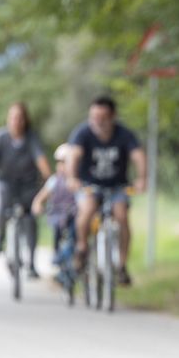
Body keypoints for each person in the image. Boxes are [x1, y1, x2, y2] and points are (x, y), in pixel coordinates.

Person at [64, 96, 146, 285]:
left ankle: (122, 266)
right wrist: (72, 178)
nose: (98, 122)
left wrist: (142, 179)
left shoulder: (124, 134)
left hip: (117, 186)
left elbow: (138, 155)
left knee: (122, 216)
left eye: (102, 117)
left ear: (112, 117)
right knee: (86, 211)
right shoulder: (82, 133)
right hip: (89, 185)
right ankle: (82, 248)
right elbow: (73, 155)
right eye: (94, 117)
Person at [0, 102, 52, 278]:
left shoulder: (31, 138)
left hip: (27, 185)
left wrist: (48, 176)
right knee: (1, 203)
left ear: (25, 120)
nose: (16, 121)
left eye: (19, 118)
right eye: (13, 118)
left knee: (32, 219)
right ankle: (1, 236)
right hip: (3, 182)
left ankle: (31, 264)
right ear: (8, 119)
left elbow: (41, 160)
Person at [33, 145, 79, 273]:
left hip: (74, 214)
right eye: (60, 163)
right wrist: (37, 205)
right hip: (58, 213)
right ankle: (57, 254)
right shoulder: (54, 181)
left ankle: (75, 259)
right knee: (57, 232)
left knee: (76, 232)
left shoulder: (79, 180)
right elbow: (41, 197)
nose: (63, 166)